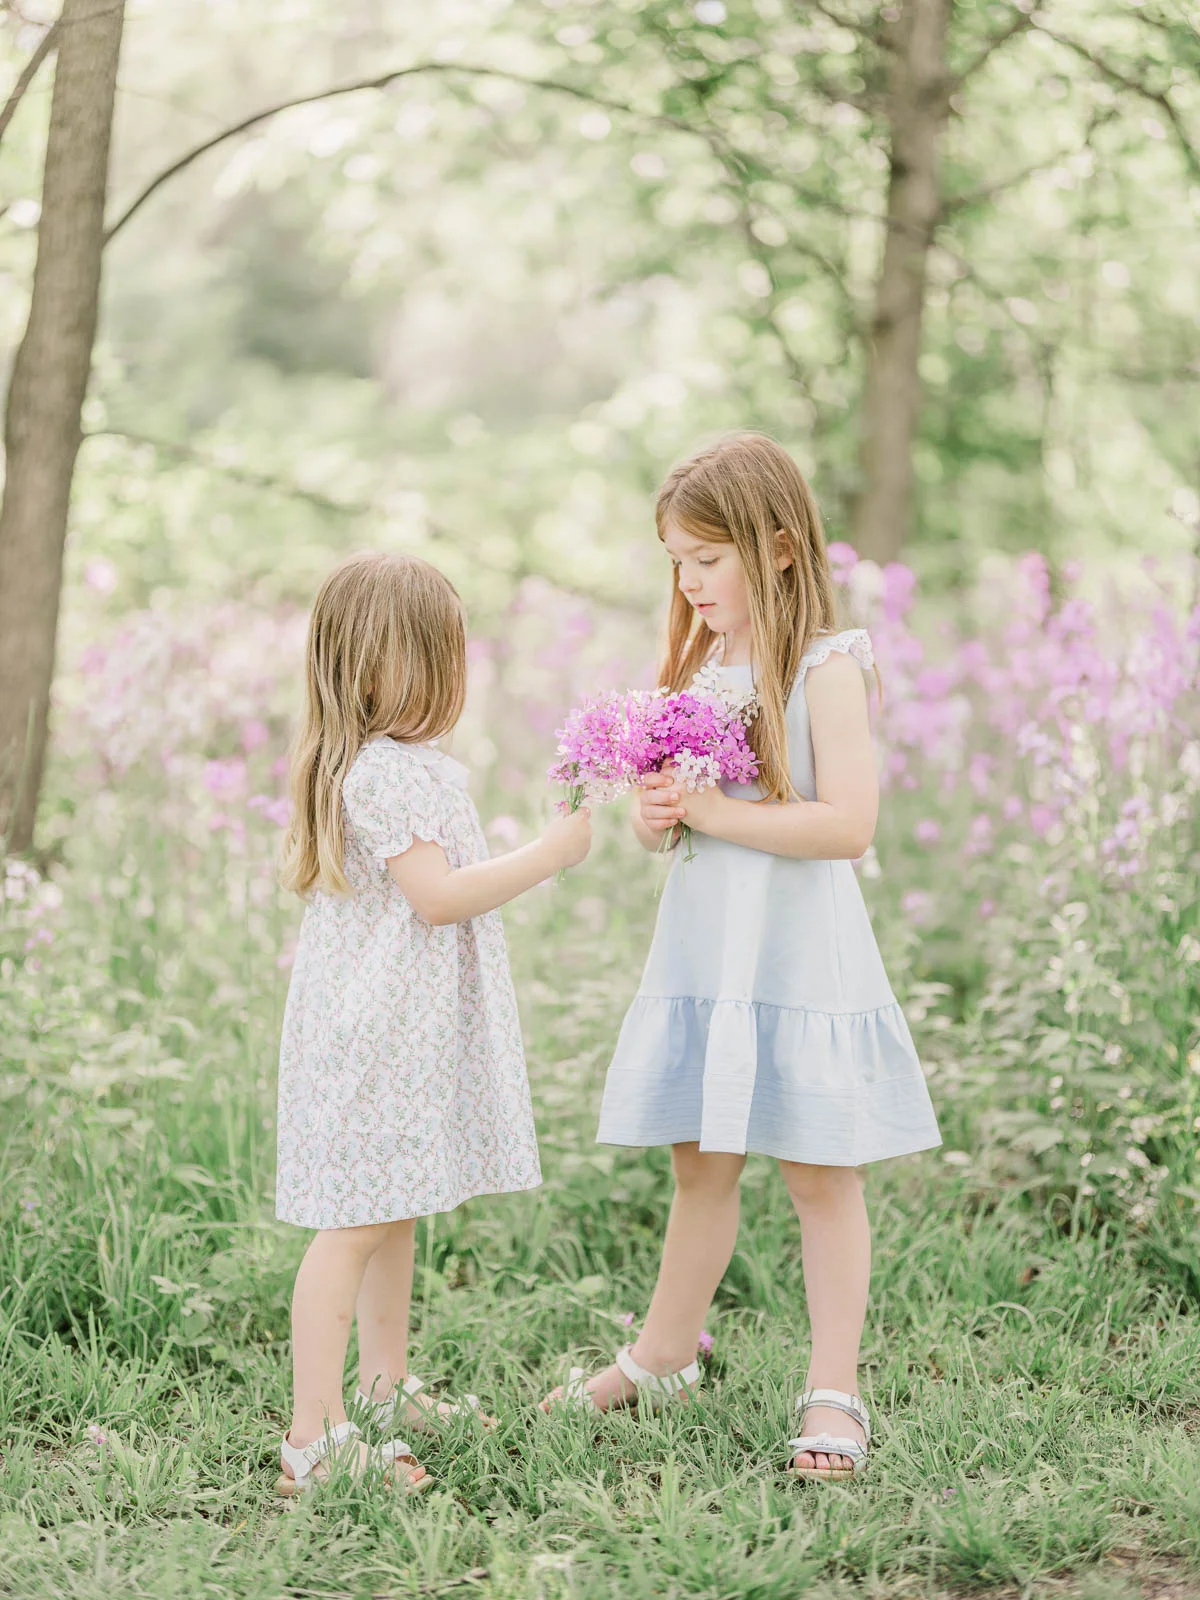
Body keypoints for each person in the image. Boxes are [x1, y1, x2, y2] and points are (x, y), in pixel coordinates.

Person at [540, 434, 940, 1481]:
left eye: (706, 560)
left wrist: (720, 807)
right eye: (676, 561)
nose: (689, 581)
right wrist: (660, 810)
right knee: (699, 1161)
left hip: (800, 957)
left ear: (777, 547)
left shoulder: (828, 667)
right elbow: (661, 828)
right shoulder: (693, 670)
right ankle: (665, 1353)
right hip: (710, 952)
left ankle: (834, 1385)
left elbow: (847, 824)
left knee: (819, 1169)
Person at [275, 551, 591, 1493]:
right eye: (443, 654)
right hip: (377, 1034)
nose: (461, 674)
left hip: (399, 1030)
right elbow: (439, 897)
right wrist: (552, 853)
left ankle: (385, 1383)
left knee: (393, 1208)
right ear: (386, 666)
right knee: (354, 1223)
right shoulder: (384, 774)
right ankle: (313, 1434)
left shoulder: (399, 766)